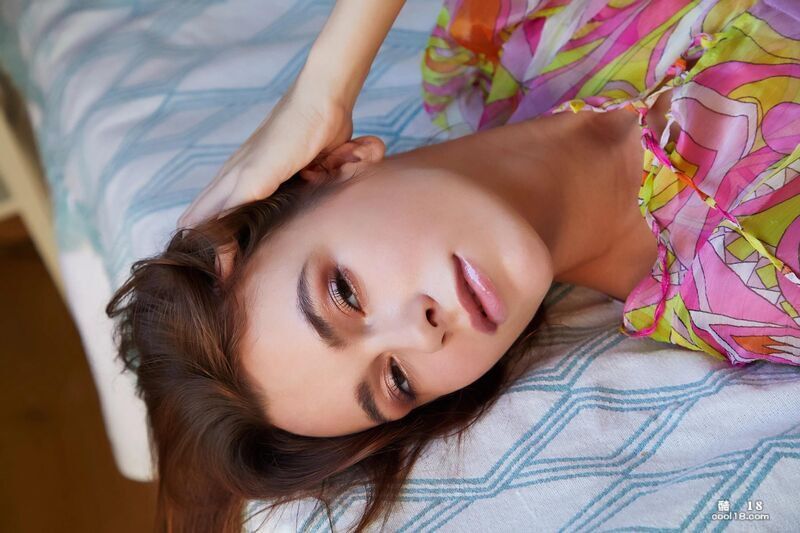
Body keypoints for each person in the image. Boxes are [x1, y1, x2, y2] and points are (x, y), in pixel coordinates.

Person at [106, 0, 800, 531]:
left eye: (344, 294)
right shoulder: (758, 282)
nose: (422, 331)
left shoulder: (494, 44)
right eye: (397, 379)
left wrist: (322, 90)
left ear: (337, 164)